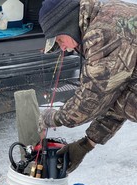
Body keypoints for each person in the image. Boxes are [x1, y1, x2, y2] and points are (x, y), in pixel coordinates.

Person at [38, 0, 137, 173]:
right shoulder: (100, 18)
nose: (63, 48)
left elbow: (91, 98)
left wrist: (53, 118)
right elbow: (115, 94)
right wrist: (86, 144)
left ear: (67, 25)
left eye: (60, 40)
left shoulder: (103, 31)